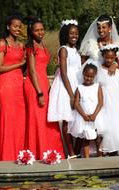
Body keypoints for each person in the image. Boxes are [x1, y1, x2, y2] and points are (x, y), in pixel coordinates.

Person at [24, 17, 65, 160]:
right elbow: (33, 71)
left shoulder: (42, 46)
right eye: (36, 30)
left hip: (43, 84)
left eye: (42, 29)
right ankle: (37, 151)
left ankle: (50, 150)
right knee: (37, 119)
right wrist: (39, 92)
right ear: (31, 31)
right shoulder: (31, 48)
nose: (40, 32)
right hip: (35, 86)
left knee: (47, 119)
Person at [47, 19, 81, 158]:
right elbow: (64, 73)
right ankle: (71, 152)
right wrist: (71, 94)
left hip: (77, 83)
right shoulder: (63, 50)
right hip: (66, 85)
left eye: (76, 33)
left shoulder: (76, 50)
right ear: (66, 34)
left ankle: (76, 148)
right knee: (67, 117)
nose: (74, 36)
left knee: (77, 117)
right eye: (71, 33)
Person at [0, 14, 26, 160]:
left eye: (19, 26)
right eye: (15, 26)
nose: (17, 29)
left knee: (20, 120)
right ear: (8, 27)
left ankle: (19, 153)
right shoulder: (3, 43)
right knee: (8, 119)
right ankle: (7, 155)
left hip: (19, 85)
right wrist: (19, 64)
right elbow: (0, 68)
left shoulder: (21, 45)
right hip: (6, 85)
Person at [69, 64, 104, 158]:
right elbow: (76, 103)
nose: (88, 78)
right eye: (86, 76)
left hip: (96, 116)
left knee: (98, 138)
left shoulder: (97, 86)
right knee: (86, 138)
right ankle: (87, 158)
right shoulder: (80, 87)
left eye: (91, 77)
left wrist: (94, 115)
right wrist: (84, 115)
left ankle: (100, 156)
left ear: (95, 76)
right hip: (84, 117)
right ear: (83, 74)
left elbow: (100, 102)